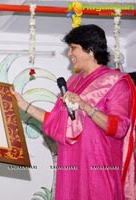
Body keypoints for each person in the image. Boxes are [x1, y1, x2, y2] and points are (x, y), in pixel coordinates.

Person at [11, 24, 135, 199]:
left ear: (90, 51)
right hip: (69, 168)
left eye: (73, 48)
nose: (69, 54)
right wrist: (24, 105)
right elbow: (56, 124)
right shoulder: (73, 82)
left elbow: (120, 128)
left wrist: (86, 107)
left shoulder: (115, 82)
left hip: (98, 169)